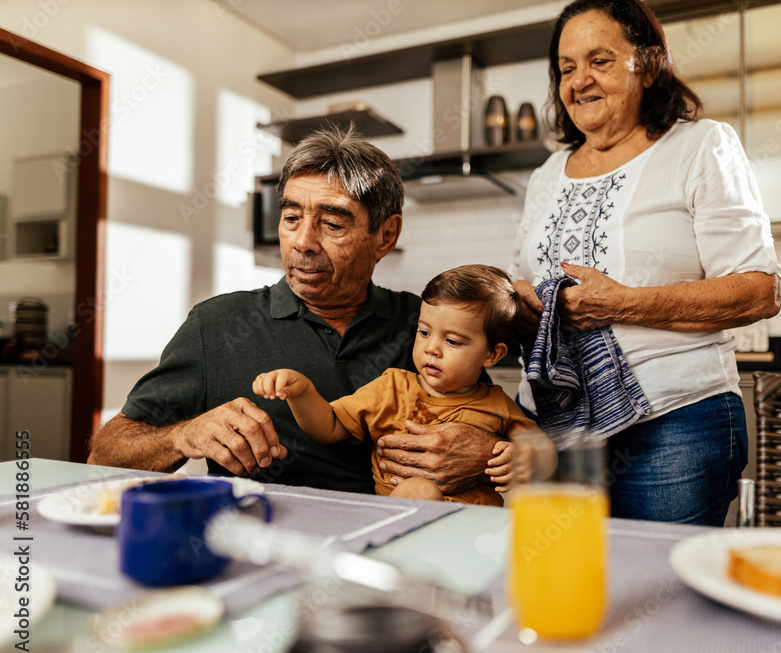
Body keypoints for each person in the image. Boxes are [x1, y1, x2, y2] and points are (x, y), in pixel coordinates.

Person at [88, 128, 498, 495]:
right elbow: (104, 456)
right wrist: (183, 435)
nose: (303, 241)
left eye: (332, 225)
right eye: (290, 218)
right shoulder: (216, 325)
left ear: (386, 235)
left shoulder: (427, 326)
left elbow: (498, 430)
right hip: (261, 545)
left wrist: (485, 452)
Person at [509, 0, 781, 526]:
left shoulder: (701, 146)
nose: (579, 81)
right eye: (566, 68)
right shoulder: (546, 173)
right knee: (569, 579)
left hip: (675, 421)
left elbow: (759, 291)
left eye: (600, 61)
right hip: (555, 421)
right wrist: (521, 306)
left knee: (658, 589)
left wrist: (622, 304)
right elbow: (523, 277)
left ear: (649, 64)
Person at [253, 264, 543, 506]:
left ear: (493, 354)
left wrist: (519, 457)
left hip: (475, 532)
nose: (432, 349)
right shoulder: (391, 387)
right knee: (423, 491)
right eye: (424, 332)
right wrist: (302, 391)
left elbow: (542, 452)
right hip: (403, 527)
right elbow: (327, 426)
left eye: (452, 341)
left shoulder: (498, 403)